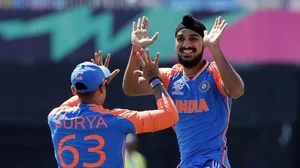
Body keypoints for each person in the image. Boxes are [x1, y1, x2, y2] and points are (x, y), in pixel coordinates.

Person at [122, 14, 245, 168]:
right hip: (187, 163)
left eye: (193, 39)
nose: (186, 44)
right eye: (181, 39)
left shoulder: (214, 73)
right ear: (175, 44)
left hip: (212, 161)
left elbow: (237, 91)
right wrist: (136, 50)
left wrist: (215, 48)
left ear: (204, 43)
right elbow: (131, 88)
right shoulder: (171, 76)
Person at [48, 50, 179, 168]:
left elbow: (77, 99)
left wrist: (99, 84)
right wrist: (155, 81)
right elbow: (170, 115)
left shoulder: (55, 118)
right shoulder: (117, 120)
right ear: (101, 88)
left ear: (73, 91)